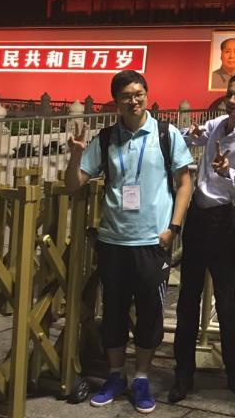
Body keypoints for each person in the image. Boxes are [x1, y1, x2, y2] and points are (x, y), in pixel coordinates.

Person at [66, 69, 194, 414]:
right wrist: (76, 154)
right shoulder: (106, 138)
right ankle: (115, 375)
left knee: (150, 314)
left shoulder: (166, 134)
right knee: (113, 312)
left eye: (139, 94)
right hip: (114, 240)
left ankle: (141, 378)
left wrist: (173, 228)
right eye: (126, 96)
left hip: (153, 241)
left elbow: (185, 183)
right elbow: (74, 184)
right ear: (116, 102)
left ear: (147, 96)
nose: (134, 101)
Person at [169, 71, 235, 403]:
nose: (232, 101)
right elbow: (190, 138)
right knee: (187, 299)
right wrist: (190, 132)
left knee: (225, 302)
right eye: (230, 94)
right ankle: (183, 374)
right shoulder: (218, 124)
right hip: (196, 216)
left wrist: (226, 171)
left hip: (221, 220)